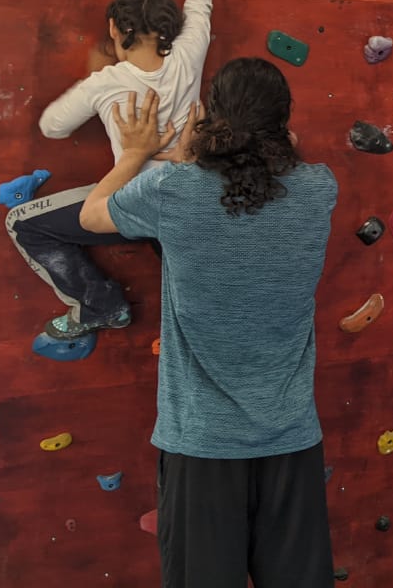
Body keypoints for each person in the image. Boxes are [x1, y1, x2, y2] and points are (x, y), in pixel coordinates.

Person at [79, 58, 338, 586]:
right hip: (291, 442)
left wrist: (137, 153)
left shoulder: (174, 189)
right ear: (285, 120)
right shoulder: (320, 189)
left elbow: (92, 213)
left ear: (209, 117)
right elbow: (277, 165)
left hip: (202, 445)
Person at [5, 0, 221, 339]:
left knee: (22, 223)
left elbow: (52, 126)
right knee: (176, 249)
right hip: (188, 202)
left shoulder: (105, 83)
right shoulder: (189, 54)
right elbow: (200, 0)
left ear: (115, 29)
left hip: (132, 205)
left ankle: (100, 306)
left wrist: (93, 78)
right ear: (169, 30)